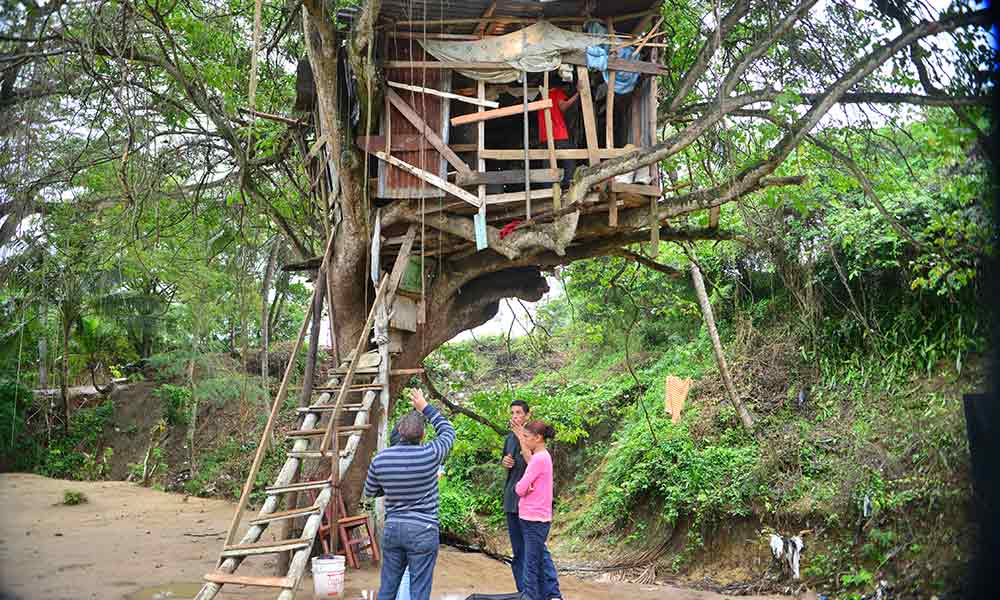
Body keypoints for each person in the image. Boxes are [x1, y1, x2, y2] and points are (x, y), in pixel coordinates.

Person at [363, 388, 455, 600]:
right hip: (423, 529)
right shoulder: (431, 454)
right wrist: (425, 407)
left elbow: (370, 491)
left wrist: (393, 484)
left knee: (388, 588)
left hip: (394, 529)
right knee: (419, 590)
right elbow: (448, 432)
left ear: (399, 433)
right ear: (422, 435)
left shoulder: (381, 458)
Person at [513, 420, 562, 600]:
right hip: (539, 517)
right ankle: (553, 595)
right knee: (539, 557)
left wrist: (523, 487)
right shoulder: (543, 457)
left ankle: (531, 596)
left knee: (530, 564)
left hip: (532, 518)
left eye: (526, 436)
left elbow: (519, 488)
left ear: (538, 438)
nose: (524, 440)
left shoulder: (538, 460)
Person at [501, 400, 531, 592]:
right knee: (518, 552)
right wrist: (505, 461)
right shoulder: (509, 439)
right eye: (512, 412)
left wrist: (522, 437)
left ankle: (536, 591)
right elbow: (506, 462)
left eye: (519, 412)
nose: (515, 416)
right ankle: (523, 592)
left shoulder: (534, 437)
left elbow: (537, 465)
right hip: (512, 500)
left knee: (533, 551)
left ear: (528, 415)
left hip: (530, 502)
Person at [536, 80, 581, 189]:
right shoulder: (557, 92)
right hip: (559, 135)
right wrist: (577, 94)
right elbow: (563, 106)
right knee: (569, 161)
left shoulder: (541, 97)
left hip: (545, 136)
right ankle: (568, 186)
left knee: (548, 164)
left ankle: (547, 189)